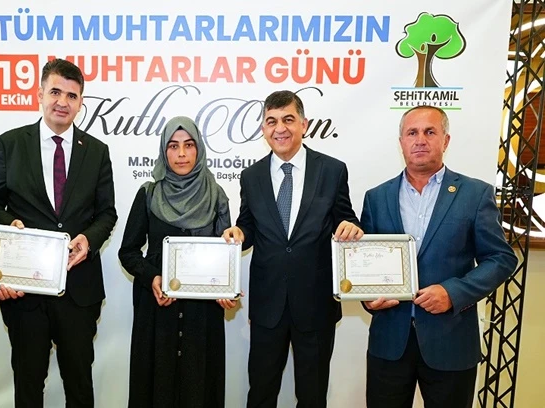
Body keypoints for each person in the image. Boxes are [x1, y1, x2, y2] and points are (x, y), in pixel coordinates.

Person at [0, 58, 117, 408]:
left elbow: (107, 213)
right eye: (55, 92)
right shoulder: (11, 143)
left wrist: (89, 239)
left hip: (78, 290)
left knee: (79, 384)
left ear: (80, 103)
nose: (62, 102)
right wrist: (11, 225)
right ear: (39, 94)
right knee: (28, 384)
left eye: (72, 95)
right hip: (25, 292)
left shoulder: (97, 151)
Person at [360, 105, 517, 408]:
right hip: (389, 343)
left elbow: (500, 258)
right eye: (412, 133)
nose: (420, 140)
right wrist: (368, 297)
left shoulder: (475, 194)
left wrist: (452, 292)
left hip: (451, 342)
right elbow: (366, 261)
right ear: (401, 142)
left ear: (445, 140)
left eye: (429, 132)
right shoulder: (376, 197)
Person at [223, 90, 363, 408]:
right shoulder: (251, 176)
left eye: (288, 119)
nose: (280, 128)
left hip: (316, 304)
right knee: (261, 393)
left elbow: (346, 218)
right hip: (268, 303)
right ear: (264, 129)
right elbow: (248, 226)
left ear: (304, 124)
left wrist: (352, 227)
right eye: (271, 121)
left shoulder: (332, 170)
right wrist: (239, 232)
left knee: (312, 396)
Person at [119, 116, 237, 408]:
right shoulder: (149, 193)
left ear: (199, 150)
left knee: (199, 387)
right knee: (155, 386)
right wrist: (152, 277)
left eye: (188, 145)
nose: (181, 154)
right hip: (158, 311)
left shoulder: (216, 196)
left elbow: (225, 258)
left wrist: (226, 290)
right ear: (164, 150)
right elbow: (128, 252)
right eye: (173, 146)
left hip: (202, 315)